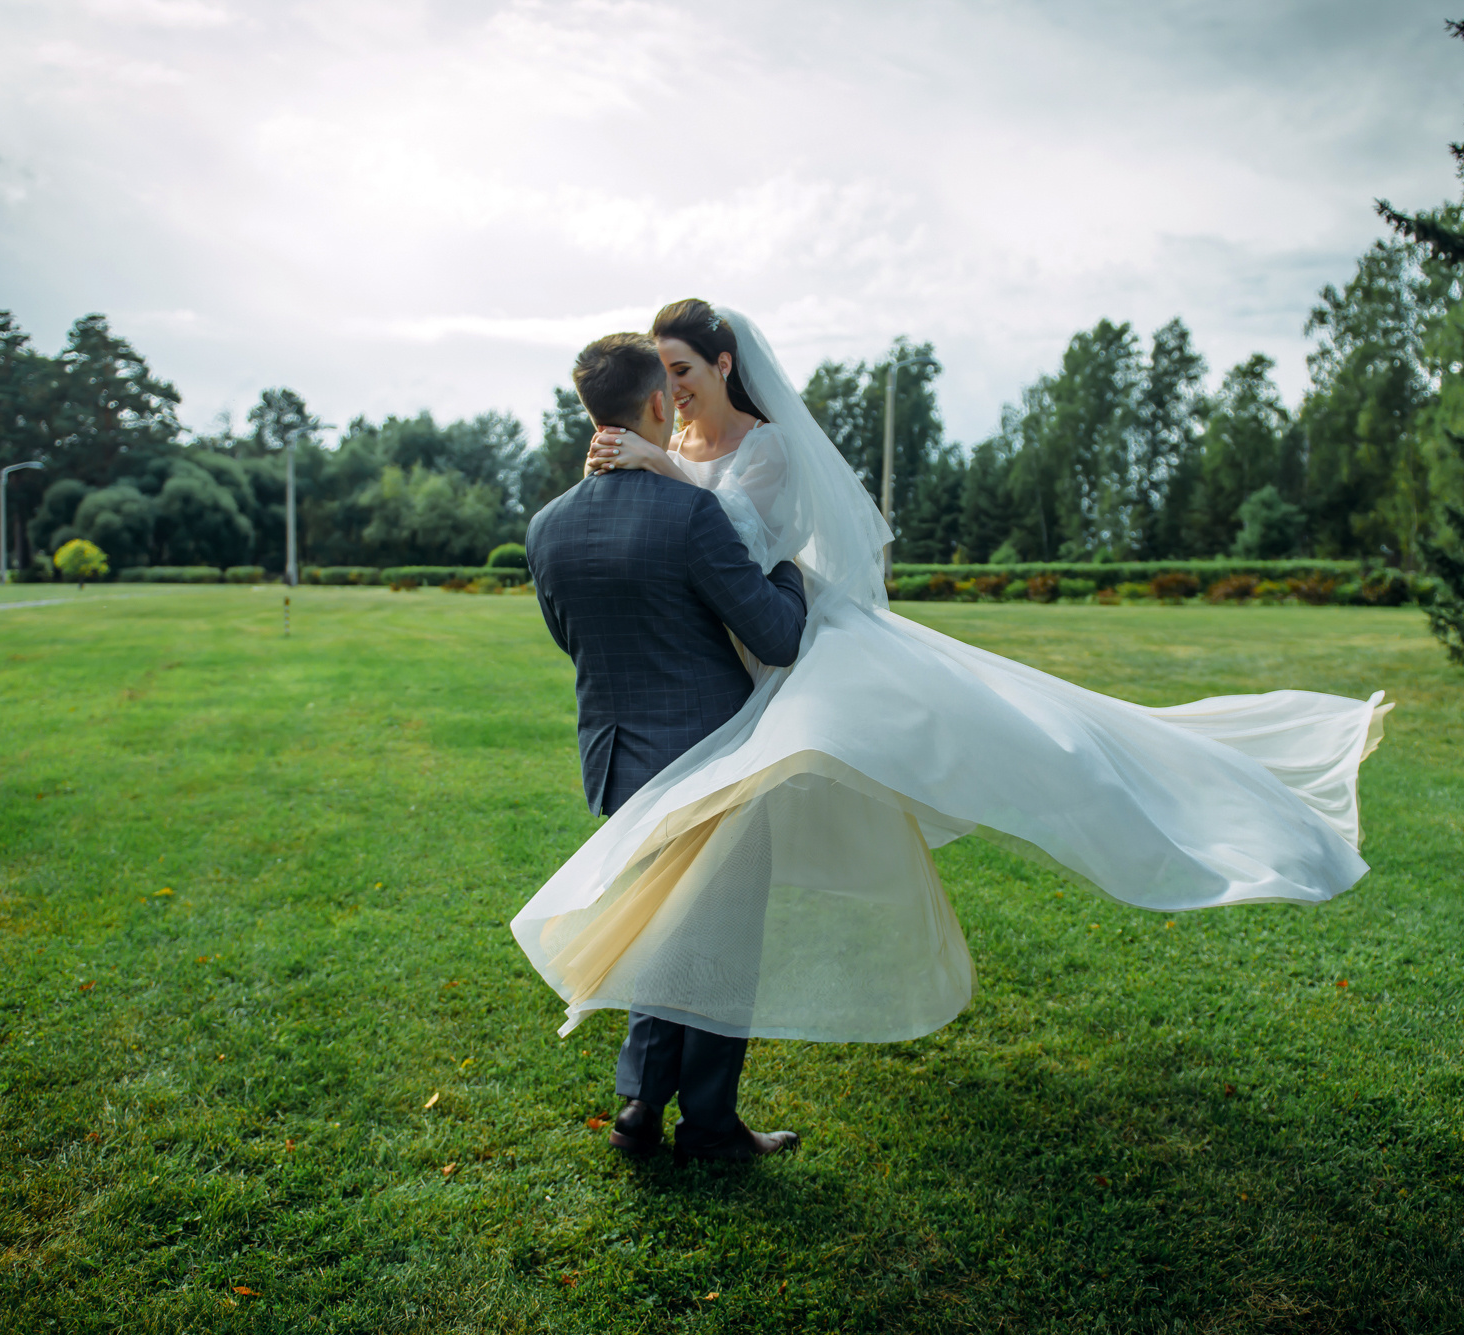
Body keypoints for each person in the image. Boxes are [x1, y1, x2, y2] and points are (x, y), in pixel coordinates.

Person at [513, 301, 1392, 1077]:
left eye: (684, 369)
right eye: (664, 376)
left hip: (791, 660)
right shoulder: (669, 455)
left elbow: (739, 539)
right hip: (724, 682)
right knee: (704, 906)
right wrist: (660, 470)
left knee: (1023, 736)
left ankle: (1166, 792)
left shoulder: (754, 451)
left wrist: (660, 471)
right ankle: (685, 1101)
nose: (676, 391)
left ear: (723, 366)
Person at [525, 331, 804, 1164]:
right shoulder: (693, 514)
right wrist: (787, 567)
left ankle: (642, 1104)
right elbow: (779, 636)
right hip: (713, 753)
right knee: (720, 936)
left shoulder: (547, 527)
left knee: (659, 924)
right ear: (656, 405)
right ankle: (710, 1122)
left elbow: (569, 638)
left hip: (615, 760)